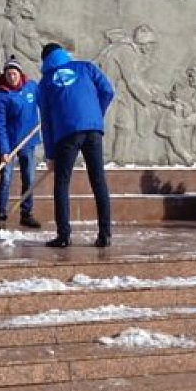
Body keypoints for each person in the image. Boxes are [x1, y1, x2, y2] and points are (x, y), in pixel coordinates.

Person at [37, 42, 115, 248]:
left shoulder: (45, 82)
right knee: (98, 181)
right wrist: (96, 114)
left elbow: (46, 121)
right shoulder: (85, 67)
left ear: (45, 60)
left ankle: (64, 236)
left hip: (66, 133)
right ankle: (105, 234)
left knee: (62, 183)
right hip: (93, 131)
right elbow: (108, 91)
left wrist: (50, 155)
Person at [0, 57, 42, 228]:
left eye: (14, 73)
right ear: (5, 75)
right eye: (9, 74)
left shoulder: (31, 87)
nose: (12, 77)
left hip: (28, 141)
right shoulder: (0, 96)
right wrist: (4, 150)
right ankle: (1, 214)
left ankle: (27, 213)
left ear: (20, 73)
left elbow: (45, 101)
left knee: (29, 178)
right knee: (6, 178)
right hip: (9, 144)